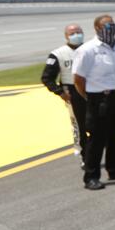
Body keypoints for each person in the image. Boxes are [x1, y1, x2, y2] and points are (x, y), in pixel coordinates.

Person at [73, 15, 115, 190]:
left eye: (113, 25)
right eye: (106, 26)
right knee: (97, 139)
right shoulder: (87, 50)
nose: (110, 29)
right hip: (98, 98)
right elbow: (78, 79)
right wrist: (90, 97)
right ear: (96, 28)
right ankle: (91, 176)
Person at [41, 23, 91, 165]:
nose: (76, 35)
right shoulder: (58, 54)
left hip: (93, 89)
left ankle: (112, 150)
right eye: (72, 33)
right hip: (73, 93)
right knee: (80, 126)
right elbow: (46, 78)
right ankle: (85, 157)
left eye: (79, 32)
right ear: (66, 36)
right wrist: (59, 92)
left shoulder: (91, 49)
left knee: (100, 123)